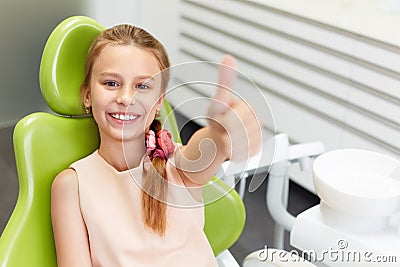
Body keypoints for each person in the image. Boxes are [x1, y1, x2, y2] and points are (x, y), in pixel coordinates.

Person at [51, 24, 262, 267]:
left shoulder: (177, 165)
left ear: (159, 101)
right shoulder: (72, 185)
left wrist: (221, 134)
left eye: (142, 86)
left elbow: (206, 149)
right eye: (111, 83)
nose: (126, 98)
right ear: (87, 95)